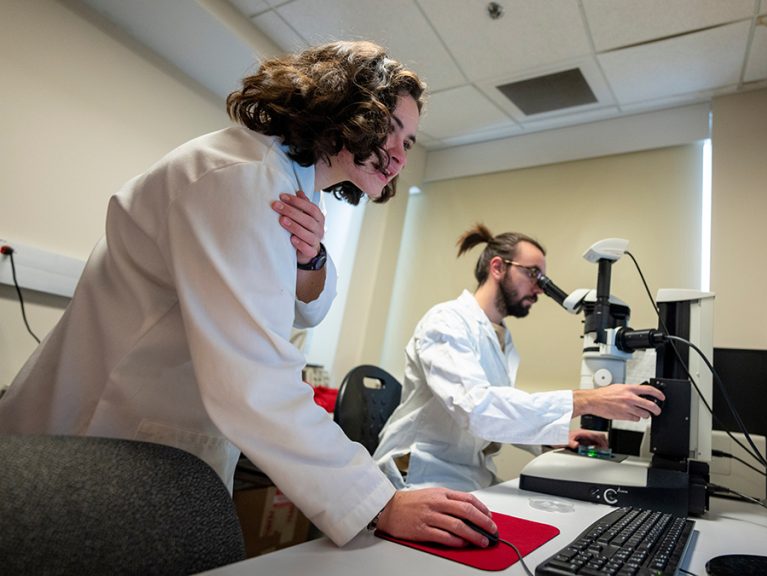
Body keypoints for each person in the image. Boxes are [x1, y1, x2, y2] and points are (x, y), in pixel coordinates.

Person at [0, 40, 498, 549]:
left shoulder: (291, 186)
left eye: (409, 142)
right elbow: (255, 379)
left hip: (149, 447)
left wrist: (312, 258)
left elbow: (306, 312)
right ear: (342, 104)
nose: (399, 155)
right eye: (390, 128)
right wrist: (378, 501)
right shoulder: (241, 177)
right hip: (90, 439)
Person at [373, 224, 666, 492]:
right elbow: (477, 410)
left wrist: (553, 438)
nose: (539, 288)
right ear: (498, 267)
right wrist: (587, 400)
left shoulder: (502, 338)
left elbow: (499, 415)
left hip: (469, 475)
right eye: (533, 274)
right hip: (421, 475)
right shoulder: (446, 321)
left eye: (543, 279)